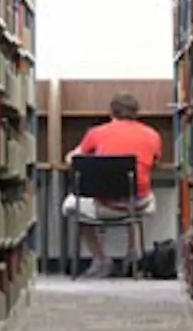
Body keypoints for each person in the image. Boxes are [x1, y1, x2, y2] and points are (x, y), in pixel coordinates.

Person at [63, 91, 162, 278]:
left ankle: (101, 259)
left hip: (107, 205)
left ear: (111, 113)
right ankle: (133, 255)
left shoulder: (96, 133)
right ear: (137, 113)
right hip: (139, 204)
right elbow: (154, 161)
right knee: (132, 194)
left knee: (71, 205)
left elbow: (72, 159)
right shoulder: (153, 134)